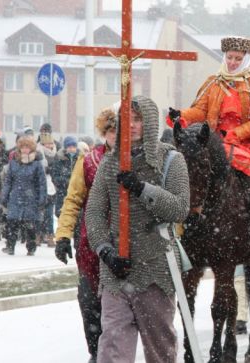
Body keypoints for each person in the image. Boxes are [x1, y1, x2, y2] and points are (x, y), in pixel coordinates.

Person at [86, 95, 189, 363]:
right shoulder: (110, 162)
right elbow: (95, 212)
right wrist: (105, 251)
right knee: (112, 345)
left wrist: (143, 189)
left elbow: (180, 209)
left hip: (156, 265)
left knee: (159, 347)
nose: (131, 125)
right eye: (126, 119)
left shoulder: (170, 160)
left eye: (138, 119)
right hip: (117, 269)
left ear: (151, 122)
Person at [167, 35, 250, 235]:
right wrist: (182, 115)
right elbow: (201, 111)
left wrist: (236, 133)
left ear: (246, 59)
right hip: (212, 140)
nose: (232, 63)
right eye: (230, 57)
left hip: (244, 144)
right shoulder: (213, 83)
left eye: (237, 59)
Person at [54, 107, 117, 362]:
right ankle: (95, 351)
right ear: (104, 133)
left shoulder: (137, 161)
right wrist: (62, 236)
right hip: (90, 243)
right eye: (111, 131)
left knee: (120, 306)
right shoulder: (89, 160)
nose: (116, 136)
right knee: (89, 300)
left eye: (120, 131)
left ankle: (114, 352)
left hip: (127, 242)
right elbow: (73, 200)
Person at [0, 136, 47, 256]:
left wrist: (42, 199)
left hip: (31, 199)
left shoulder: (37, 165)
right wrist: (4, 196)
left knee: (30, 226)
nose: (25, 150)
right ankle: (10, 246)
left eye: (27, 147)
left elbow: (41, 183)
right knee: (12, 224)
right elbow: (8, 181)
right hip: (15, 197)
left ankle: (31, 248)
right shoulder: (13, 163)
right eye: (23, 147)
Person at [50, 136, 80, 245]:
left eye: (73, 146)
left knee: (77, 218)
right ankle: (62, 240)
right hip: (62, 193)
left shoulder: (80, 159)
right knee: (62, 216)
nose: (72, 149)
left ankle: (76, 241)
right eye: (69, 146)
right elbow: (55, 177)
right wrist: (69, 181)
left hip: (76, 194)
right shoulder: (59, 159)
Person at [37, 133, 58, 248]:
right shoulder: (38, 154)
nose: (50, 145)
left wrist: (53, 171)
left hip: (52, 188)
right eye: (47, 143)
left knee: (49, 215)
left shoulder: (55, 154)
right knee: (40, 215)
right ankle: (38, 236)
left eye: (51, 143)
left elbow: (57, 169)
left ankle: (50, 237)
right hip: (41, 188)